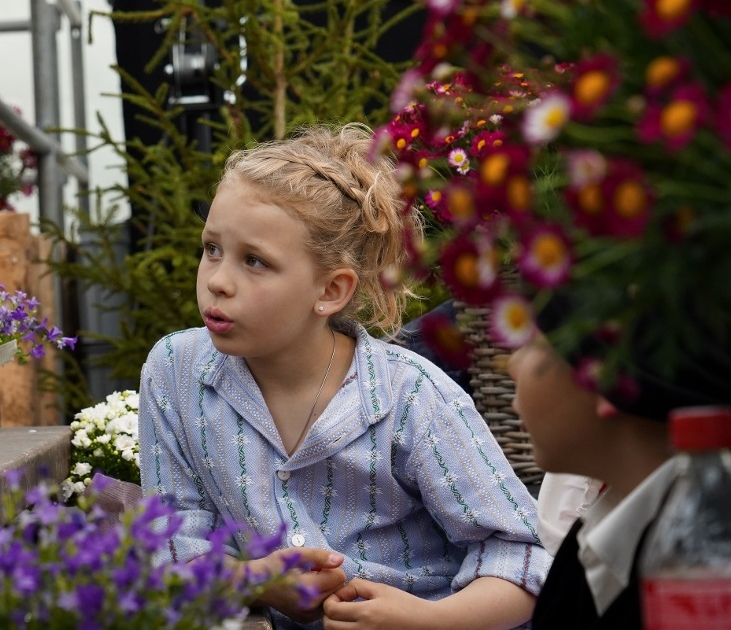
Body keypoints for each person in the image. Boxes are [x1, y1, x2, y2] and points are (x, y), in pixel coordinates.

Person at [138, 124, 549, 630]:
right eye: (212, 249)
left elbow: (523, 558)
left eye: (255, 261)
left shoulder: (410, 396)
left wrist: (428, 621)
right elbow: (172, 551)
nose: (218, 281)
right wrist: (253, 581)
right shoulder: (176, 371)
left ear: (331, 291)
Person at [507, 299, 731, 629]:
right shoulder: (588, 550)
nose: (512, 364)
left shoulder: (702, 574)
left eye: (532, 344)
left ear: (605, 376)